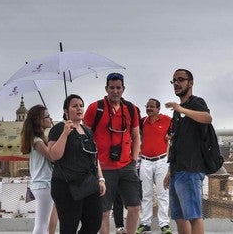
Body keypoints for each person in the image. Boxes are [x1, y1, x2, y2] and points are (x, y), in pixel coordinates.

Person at [83, 72, 142, 234]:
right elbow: (85, 136)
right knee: (104, 211)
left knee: (135, 207)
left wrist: (134, 160)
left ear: (123, 89)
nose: (115, 91)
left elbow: (136, 136)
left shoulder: (130, 109)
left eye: (118, 88)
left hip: (126, 165)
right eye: (112, 88)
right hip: (103, 167)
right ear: (106, 88)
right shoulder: (96, 108)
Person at [48, 94, 107, 234]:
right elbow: (54, 156)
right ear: (66, 111)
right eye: (74, 106)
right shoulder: (58, 129)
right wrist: (64, 134)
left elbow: (94, 157)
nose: (79, 109)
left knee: (94, 222)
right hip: (66, 185)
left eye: (81, 106)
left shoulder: (87, 130)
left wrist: (101, 178)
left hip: (88, 183)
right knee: (69, 227)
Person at [163, 69, 212, 234]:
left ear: (190, 83)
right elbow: (176, 142)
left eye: (181, 80)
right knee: (179, 217)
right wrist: (170, 171)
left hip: (191, 169)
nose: (176, 83)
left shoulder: (195, 102)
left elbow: (207, 118)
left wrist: (181, 109)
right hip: (178, 171)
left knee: (193, 216)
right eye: (174, 80)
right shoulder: (178, 111)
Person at [20, 104, 60, 234]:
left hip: (43, 184)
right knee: (42, 223)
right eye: (47, 116)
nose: (50, 118)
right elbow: (52, 157)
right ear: (39, 120)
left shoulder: (39, 139)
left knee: (44, 222)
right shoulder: (37, 141)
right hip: (44, 184)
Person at [137, 98, 172, 234]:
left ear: (158, 109)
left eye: (152, 107)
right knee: (146, 194)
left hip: (161, 160)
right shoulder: (142, 121)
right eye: (147, 106)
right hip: (145, 161)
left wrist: (170, 136)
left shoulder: (167, 120)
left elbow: (174, 132)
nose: (149, 108)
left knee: (163, 193)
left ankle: (164, 224)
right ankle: (145, 224)